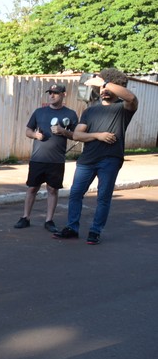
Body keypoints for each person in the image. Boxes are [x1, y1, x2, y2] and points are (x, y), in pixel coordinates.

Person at [53, 68, 138, 245]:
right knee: (75, 193)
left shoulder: (123, 108)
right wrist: (98, 135)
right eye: (101, 87)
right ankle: (72, 228)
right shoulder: (90, 111)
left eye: (108, 87)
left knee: (103, 197)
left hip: (110, 159)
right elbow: (77, 135)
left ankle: (95, 231)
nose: (104, 90)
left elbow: (131, 98)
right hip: (87, 160)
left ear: (116, 87)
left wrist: (105, 82)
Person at [14, 83, 78, 233]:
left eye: (56, 93)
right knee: (32, 188)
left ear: (64, 95)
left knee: (52, 190)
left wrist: (63, 131)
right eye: (50, 93)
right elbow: (28, 131)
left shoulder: (70, 114)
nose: (52, 95)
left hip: (56, 160)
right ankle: (25, 217)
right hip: (38, 158)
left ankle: (49, 220)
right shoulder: (39, 112)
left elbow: (76, 135)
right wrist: (35, 135)